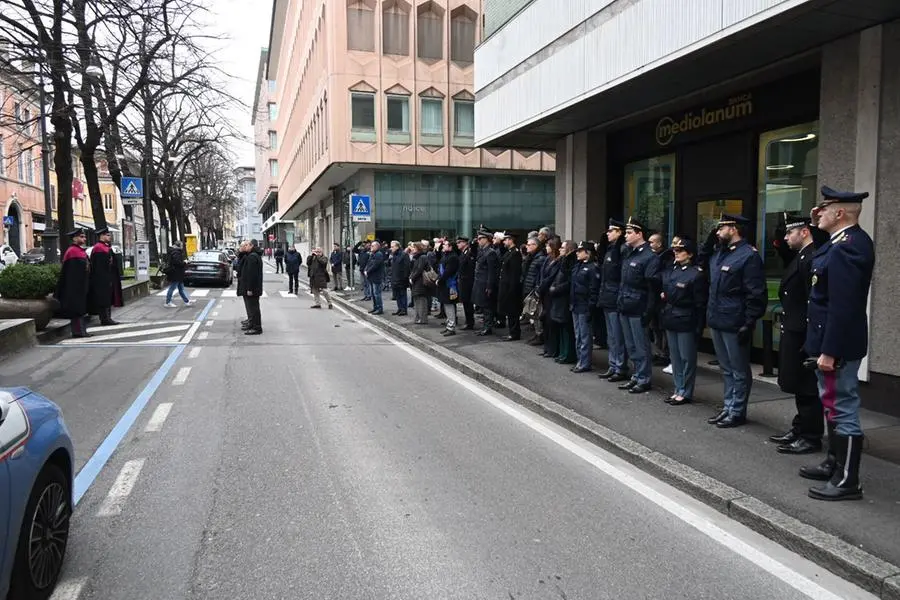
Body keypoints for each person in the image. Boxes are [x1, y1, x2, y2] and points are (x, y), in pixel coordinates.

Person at [801, 186, 875, 501]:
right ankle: (835, 462)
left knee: (842, 407)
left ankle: (847, 481)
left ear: (839, 213)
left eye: (824, 208)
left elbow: (842, 306)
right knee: (832, 406)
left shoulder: (849, 247)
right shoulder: (839, 243)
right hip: (829, 340)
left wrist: (829, 351)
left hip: (838, 345)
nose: (819, 213)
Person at [768, 214, 824, 455]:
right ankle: (800, 427)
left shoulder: (811, 257)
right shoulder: (802, 255)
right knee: (799, 385)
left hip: (804, 332)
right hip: (795, 328)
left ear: (804, 232)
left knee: (807, 387)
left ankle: (810, 436)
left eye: (789, 233)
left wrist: (812, 338)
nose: (786, 237)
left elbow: (814, 301)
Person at [705, 214, 767, 428]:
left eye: (721, 228)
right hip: (717, 318)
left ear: (733, 229)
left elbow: (756, 293)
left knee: (738, 369)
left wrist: (749, 322)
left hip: (735, 320)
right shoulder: (720, 253)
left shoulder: (748, 256)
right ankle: (728, 406)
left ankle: (737, 410)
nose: (717, 232)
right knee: (726, 368)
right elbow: (703, 260)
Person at [659, 236, 707, 405]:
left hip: (687, 319)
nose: (676, 253)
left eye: (680, 251)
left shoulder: (696, 274)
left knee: (687, 358)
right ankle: (678, 388)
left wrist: (699, 327)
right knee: (675, 358)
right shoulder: (673, 270)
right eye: (675, 250)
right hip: (672, 317)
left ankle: (685, 391)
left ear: (690, 254)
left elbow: (700, 304)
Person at [615, 217, 659, 395]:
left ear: (639, 234)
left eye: (629, 232)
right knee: (631, 345)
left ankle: (643, 378)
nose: (626, 236)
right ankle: (636, 375)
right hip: (626, 304)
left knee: (641, 346)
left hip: (638, 306)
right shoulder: (629, 253)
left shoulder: (649, 256)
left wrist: (648, 311)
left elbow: (652, 288)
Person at [597, 219, 629, 382]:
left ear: (619, 232)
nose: (607, 234)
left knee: (618, 336)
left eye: (611, 231)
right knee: (611, 336)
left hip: (615, 296)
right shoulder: (610, 249)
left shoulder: (622, 250)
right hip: (607, 296)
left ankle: (620, 366)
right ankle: (613, 365)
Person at [54, 228, 91, 338]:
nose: (84, 238)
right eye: (81, 237)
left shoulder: (80, 251)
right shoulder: (72, 252)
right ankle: (78, 331)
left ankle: (81, 331)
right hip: (75, 286)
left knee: (80, 309)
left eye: (84, 236)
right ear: (74, 238)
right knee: (76, 309)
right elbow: (70, 273)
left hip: (81, 285)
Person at [570, 241, 600, 373]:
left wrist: (590, 307)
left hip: (584, 305)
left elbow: (594, 290)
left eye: (580, 251)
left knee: (585, 336)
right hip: (576, 304)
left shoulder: (593, 268)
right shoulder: (578, 266)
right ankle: (580, 360)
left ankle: (585, 362)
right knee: (578, 335)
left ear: (588, 253)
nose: (577, 253)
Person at [87, 227, 124, 325]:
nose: (109, 236)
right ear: (101, 236)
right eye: (107, 235)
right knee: (104, 299)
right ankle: (105, 318)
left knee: (107, 298)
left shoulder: (105, 247)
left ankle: (107, 318)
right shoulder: (99, 248)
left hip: (107, 277)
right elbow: (100, 266)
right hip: (102, 279)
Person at [538, 237, 563, 359]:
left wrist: (543, 285)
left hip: (550, 294)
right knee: (544, 321)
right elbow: (542, 275)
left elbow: (551, 277)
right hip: (544, 294)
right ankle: (547, 348)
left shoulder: (558, 261)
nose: (546, 247)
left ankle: (552, 349)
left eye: (548, 245)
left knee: (551, 322)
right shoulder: (547, 259)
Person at [472, 229, 500, 336]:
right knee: (483, 306)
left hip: (485, 283)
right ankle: (485, 326)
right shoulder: (483, 251)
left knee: (487, 306)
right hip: (480, 282)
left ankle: (488, 327)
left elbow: (492, 272)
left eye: (480, 239)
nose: (478, 241)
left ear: (486, 239)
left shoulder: (490, 253)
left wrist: (489, 286)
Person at [521, 235, 547, 346]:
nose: (527, 246)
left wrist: (536, 288)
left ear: (535, 245)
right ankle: (537, 333)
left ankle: (540, 334)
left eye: (529, 244)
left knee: (537, 312)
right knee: (533, 313)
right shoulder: (531, 257)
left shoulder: (540, 258)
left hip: (534, 289)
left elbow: (540, 275)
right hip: (529, 287)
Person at [499, 232, 524, 341]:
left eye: (506, 240)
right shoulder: (509, 252)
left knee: (513, 311)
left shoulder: (515, 254)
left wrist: (512, 289)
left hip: (511, 287)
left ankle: (514, 333)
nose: (504, 242)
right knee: (509, 311)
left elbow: (514, 274)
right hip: (506, 286)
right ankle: (512, 331)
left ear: (511, 240)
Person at [239, 240, 264, 334]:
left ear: (251, 246)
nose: (245, 247)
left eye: (247, 245)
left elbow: (251, 275)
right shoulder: (253, 256)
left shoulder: (252, 257)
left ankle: (257, 327)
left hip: (253, 288)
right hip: (254, 287)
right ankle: (253, 324)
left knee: (254, 308)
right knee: (252, 308)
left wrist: (250, 288)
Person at [436, 240, 460, 336]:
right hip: (445, 284)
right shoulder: (446, 255)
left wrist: (440, 280)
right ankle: (449, 324)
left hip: (450, 285)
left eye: (445, 245)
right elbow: (439, 263)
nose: (443, 246)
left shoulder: (453, 257)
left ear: (450, 247)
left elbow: (448, 272)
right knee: (446, 305)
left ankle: (451, 327)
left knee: (450, 305)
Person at [164, 241, 194, 308]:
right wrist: (184, 262)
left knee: (181, 288)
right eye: (182, 245)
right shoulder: (176, 252)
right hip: (176, 273)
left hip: (177, 273)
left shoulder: (173, 251)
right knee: (172, 288)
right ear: (179, 246)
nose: (182, 247)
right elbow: (177, 263)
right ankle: (168, 302)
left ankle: (187, 301)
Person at [456, 236, 476, 330]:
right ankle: (468, 321)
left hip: (467, 281)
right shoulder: (463, 253)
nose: (458, 244)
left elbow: (470, 269)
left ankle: (470, 322)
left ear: (465, 243)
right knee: (465, 302)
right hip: (463, 281)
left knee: (468, 302)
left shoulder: (469, 253)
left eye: (460, 242)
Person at [409, 242, 431, 324]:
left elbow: (419, 269)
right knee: (417, 299)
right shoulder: (416, 257)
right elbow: (413, 269)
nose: (412, 249)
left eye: (414, 248)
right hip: (417, 281)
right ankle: (418, 317)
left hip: (421, 281)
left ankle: (422, 318)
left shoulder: (422, 257)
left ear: (418, 248)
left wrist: (412, 277)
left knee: (421, 300)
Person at [390, 241, 410, 316]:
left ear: (397, 247)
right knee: (397, 295)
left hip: (401, 279)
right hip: (395, 278)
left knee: (402, 294)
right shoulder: (394, 255)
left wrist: (404, 278)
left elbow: (406, 267)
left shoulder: (404, 255)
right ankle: (400, 308)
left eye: (392, 246)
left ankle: (404, 309)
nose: (391, 248)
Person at [365, 241, 385, 315]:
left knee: (377, 293)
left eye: (373, 246)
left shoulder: (379, 254)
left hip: (376, 277)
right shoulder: (372, 254)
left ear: (377, 247)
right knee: (373, 293)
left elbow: (375, 265)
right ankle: (375, 307)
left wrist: (368, 271)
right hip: (371, 276)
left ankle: (379, 308)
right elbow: (369, 263)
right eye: (371, 246)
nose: (371, 247)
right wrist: (366, 270)